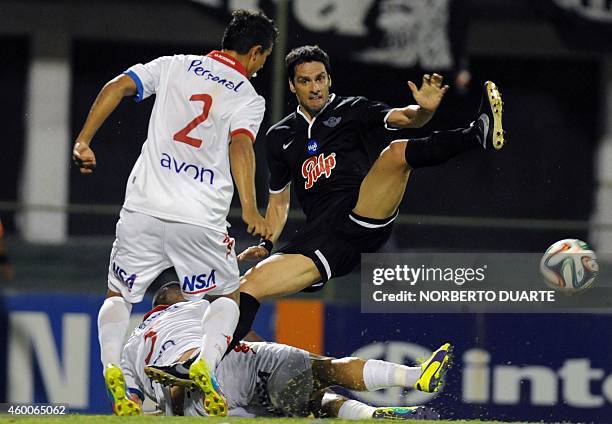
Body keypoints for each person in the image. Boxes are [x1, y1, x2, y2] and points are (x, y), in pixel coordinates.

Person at [231, 46, 504, 363]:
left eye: (320, 78)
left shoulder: (352, 110)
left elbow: (406, 118)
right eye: (305, 81)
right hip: (321, 239)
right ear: (293, 86)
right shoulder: (280, 136)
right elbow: (279, 201)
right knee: (245, 289)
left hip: (362, 213)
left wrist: (425, 111)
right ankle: (203, 367)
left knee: (396, 154)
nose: (315, 86)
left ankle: (476, 132)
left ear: (330, 79)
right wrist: (266, 242)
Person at [71, 10, 278, 416]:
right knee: (226, 295)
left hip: (143, 208)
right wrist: (252, 207)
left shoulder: (173, 65)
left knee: (119, 295)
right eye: (263, 59)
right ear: (255, 53)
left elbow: (117, 86)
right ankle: (205, 361)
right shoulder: (248, 97)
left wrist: (83, 140)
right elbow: (240, 146)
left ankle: (113, 368)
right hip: (199, 217)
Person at [120, 282, 445, 419]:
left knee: (300, 403)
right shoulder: (201, 306)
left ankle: (370, 415)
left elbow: (130, 404)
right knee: (321, 374)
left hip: (195, 396)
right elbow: (245, 334)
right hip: (236, 360)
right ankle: (409, 379)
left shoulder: (133, 344)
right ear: (181, 298)